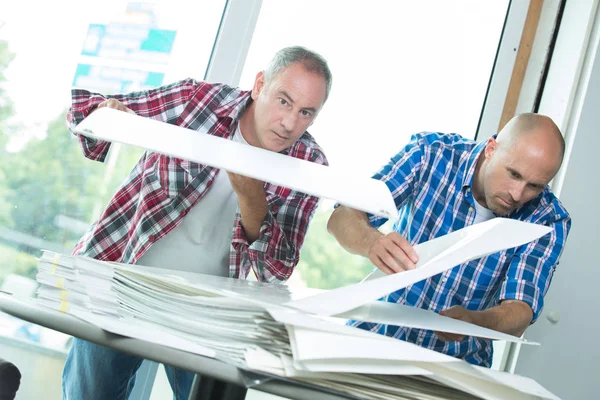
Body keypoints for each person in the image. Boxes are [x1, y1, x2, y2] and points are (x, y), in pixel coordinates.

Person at [62, 46, 332, 399]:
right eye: (284, 101)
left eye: (306, 112)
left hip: (206, 311)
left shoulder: (310, 165)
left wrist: (251, 197)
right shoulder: (197, 100)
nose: (290, 123)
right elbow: (83, 112)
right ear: (259, 84)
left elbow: (275, 269)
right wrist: (107, 114)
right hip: (122, 281)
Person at [327, 113, 571, 367]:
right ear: (491, 149)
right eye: (514, 174)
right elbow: (341, 217)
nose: (517, 194)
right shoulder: (430, 154)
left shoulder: (548, 219)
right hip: (372, 338)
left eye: (535, 186)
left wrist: (476, 322)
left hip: (455, 365)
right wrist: (371, 242)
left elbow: (520, 310)